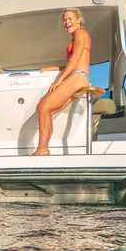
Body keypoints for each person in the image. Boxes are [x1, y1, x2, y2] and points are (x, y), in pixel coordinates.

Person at [32, 8, 92, 156]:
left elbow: (76, 58)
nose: (67, 22)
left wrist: (59, 80)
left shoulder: (80, 33)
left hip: (77, 77)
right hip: (80, 76)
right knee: (48, 110)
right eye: (65, 20)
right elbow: (75, 61)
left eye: (70, 18)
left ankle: (43, 149)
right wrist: (52, 68)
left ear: (79, 19)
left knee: (43, 107)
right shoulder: (76, 36)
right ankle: (43, 148)